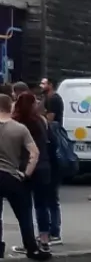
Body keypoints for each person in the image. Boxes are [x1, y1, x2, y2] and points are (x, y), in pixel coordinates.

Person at [0, 93, 50, 261]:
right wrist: (26, 173)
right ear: (10, 106)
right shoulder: (19, 129)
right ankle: (31, 248)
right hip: (12, 175)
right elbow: (34, 153)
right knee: (24, 214)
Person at [10, 92, 55, 253]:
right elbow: (50, 142)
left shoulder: (17, 123)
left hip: (24, 167)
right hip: (43, 167)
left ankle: (28, 242)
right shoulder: (41, 121)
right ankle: (44, 238)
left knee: (25, 207)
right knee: (42, 204)